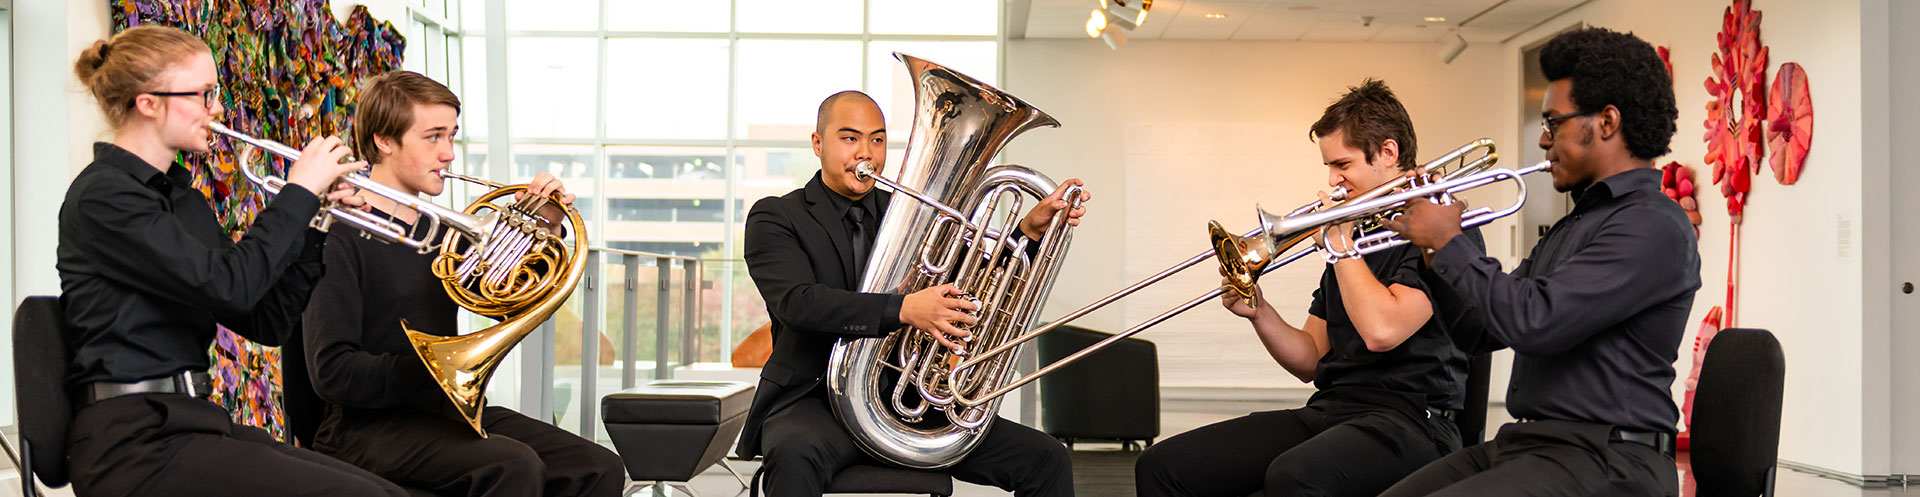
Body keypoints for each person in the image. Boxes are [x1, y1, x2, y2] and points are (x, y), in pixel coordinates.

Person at [57, 25, 407, 497]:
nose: (218, 109)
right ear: (149, 103)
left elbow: (266, 320)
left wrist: (317, 222)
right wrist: (299, 192)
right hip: (130, 442)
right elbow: (230, 285)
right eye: (204, 94)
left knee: (387, 492)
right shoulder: (105, 197)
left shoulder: (183, 201)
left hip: (191, 420)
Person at [1379, 26, 1696, 497]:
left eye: (1553, 123)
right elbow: (1478, 332)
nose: (1544, 141)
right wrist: (1431, 247)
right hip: (1534, 445)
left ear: (1607, 122)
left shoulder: (1652, 226)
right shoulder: (1577, 224)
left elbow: (1534, 321)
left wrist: (1449, 240)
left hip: (1610, 459)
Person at [1133, 79, 1485, 497]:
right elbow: (1310, 359)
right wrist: (1260, 312)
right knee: (1163, 466)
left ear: (1388, 153)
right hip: (1335, 408)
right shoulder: (1356, 236)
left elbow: (1382, 331)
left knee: (1295, 476)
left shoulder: (1444, 230)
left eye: (1343, 164)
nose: (1333, 181)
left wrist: (1340, 245)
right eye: (1329, 167)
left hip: (1413, 422)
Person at [739, 90, 1089, 496]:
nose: (866, 152)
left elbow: (967, 280)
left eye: (877, 139)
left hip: (900, 400)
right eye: (850, 138)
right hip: (812, 401)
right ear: (818, 144)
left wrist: (1027, 232)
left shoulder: (909, 212)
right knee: (793, 457)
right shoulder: (777, 216)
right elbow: (797, 305)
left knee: (1046, 458)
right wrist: (904, 309)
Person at [301, 70, 625, 497]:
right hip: (362, 427)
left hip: (443, 412)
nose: (449, 153)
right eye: (433, 137)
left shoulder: (445, 234)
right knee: (512, 465)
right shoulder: (337, 235)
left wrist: (546, 226)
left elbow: (514, 297)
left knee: (596, 466)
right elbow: (331, 372)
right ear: (384, 140)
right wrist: (434, 372)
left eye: (452, 135)